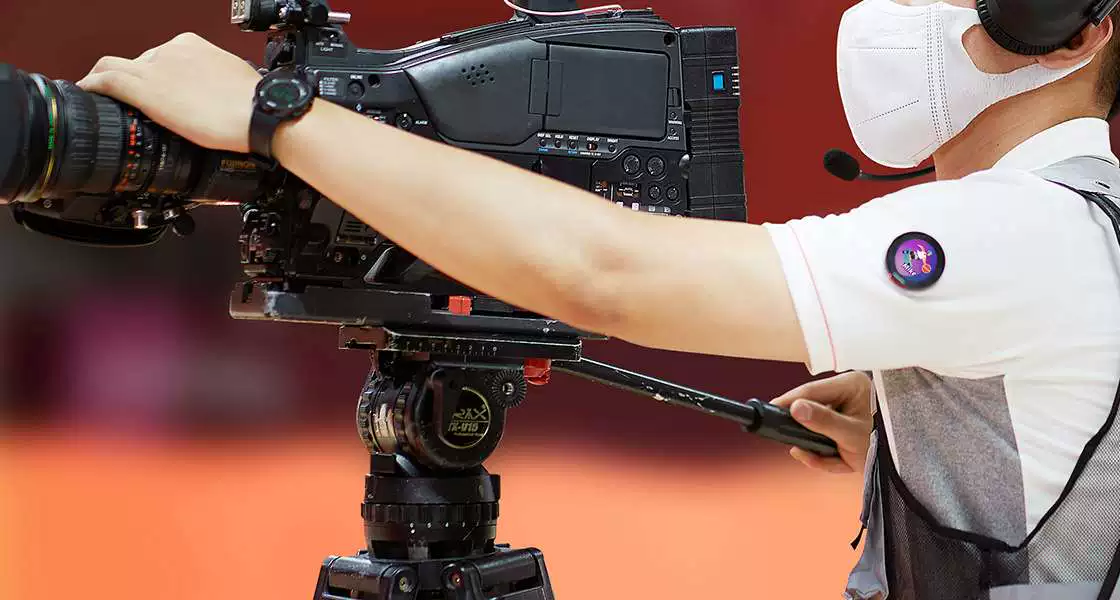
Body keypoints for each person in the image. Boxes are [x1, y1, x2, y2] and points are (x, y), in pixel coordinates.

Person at [75, 0, 1120, 597]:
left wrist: (276, 119)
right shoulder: (1085, 220)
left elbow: (605, 272)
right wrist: (925, 427)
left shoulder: (1016, 231)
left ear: (1077, 31)